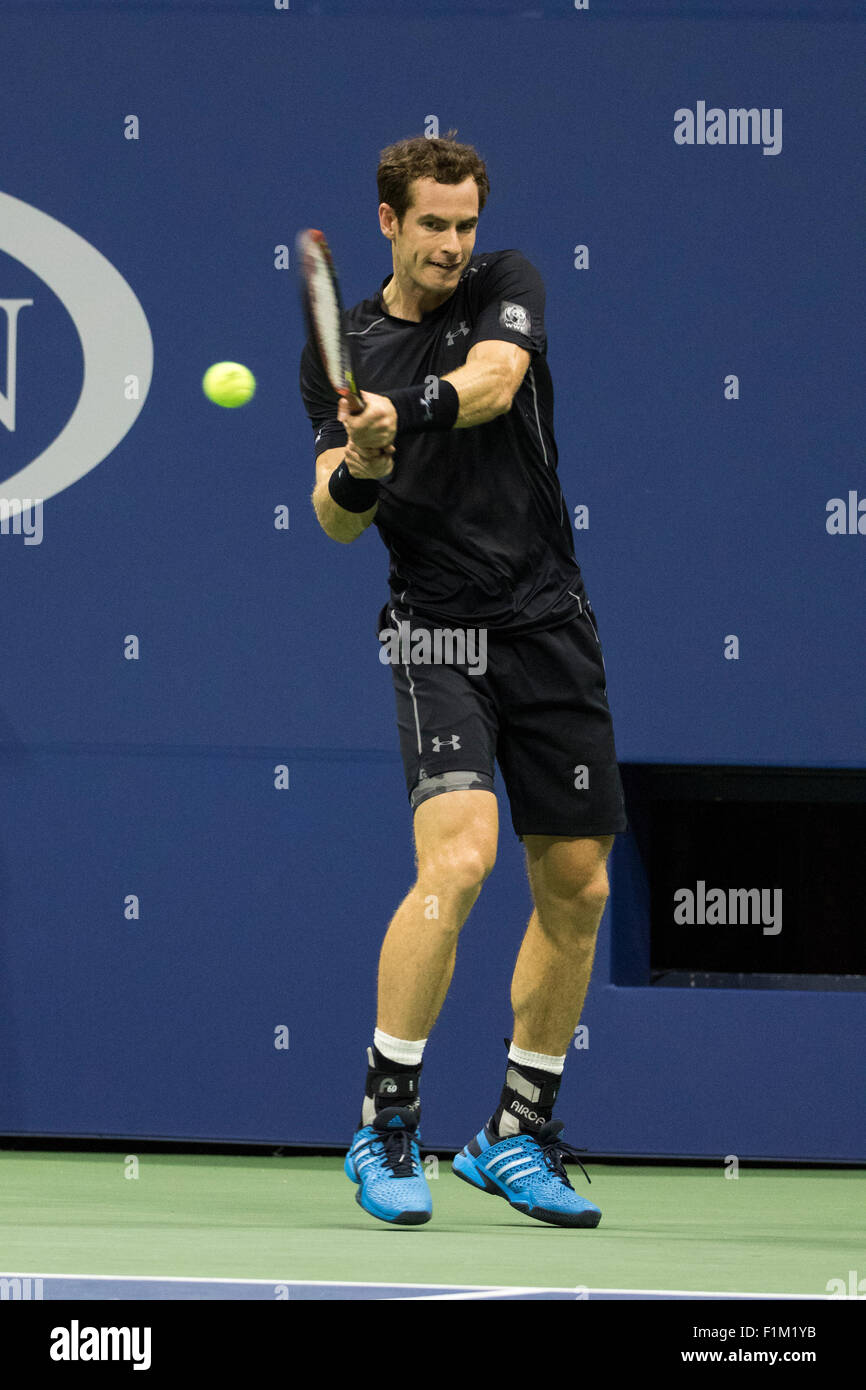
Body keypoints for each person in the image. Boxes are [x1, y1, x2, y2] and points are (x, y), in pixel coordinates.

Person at [299, 133, 627, 1228]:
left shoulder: (505, 283)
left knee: (577, 884)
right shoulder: (341, 348)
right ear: (386, 222)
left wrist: (410, 416)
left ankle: (513, 1133)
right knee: (462, 856)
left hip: (547, 621)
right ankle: (385, 1120)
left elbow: (493, 383)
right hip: (435, 630)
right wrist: (360, 466)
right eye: (430, 224)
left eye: (462, 223)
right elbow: (334, 521)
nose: (451, 245)